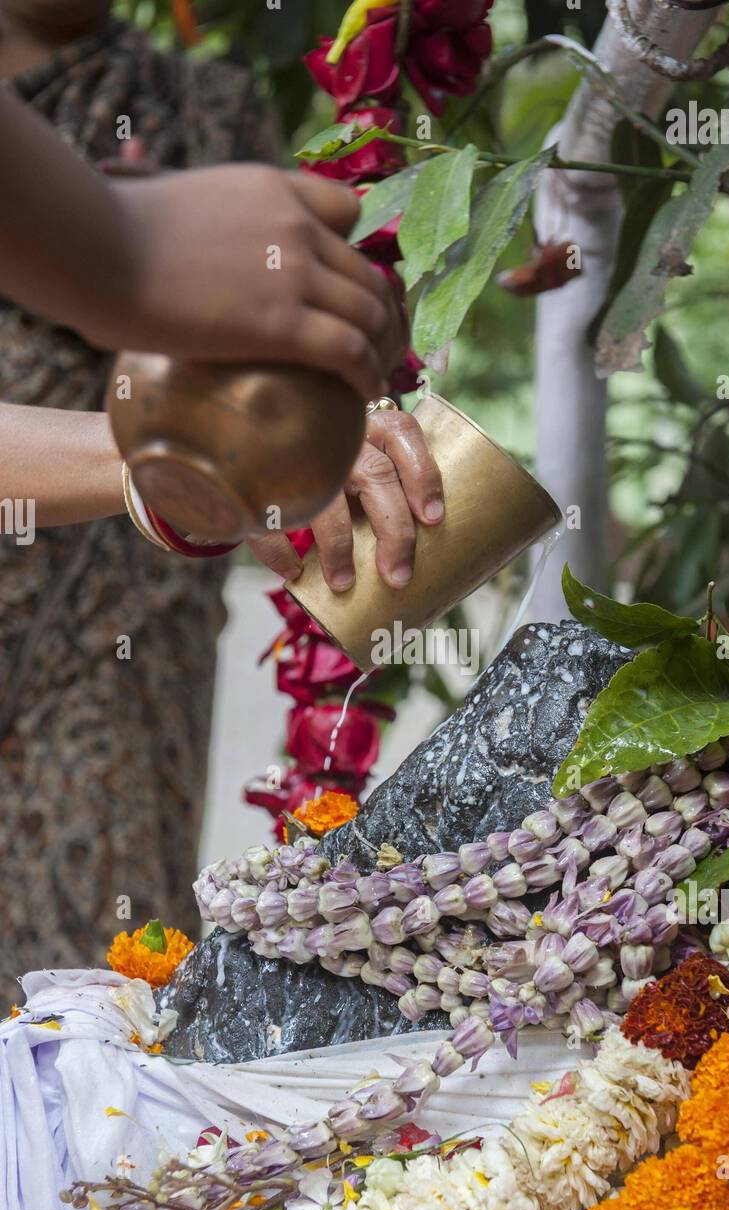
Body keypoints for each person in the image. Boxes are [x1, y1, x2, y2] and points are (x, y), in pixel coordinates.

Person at [0, 2, 442, 1000]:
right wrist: (125, 247)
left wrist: (246, 460)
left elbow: (269, 375)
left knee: (88, 1025)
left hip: (114, 628)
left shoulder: (204, 109)